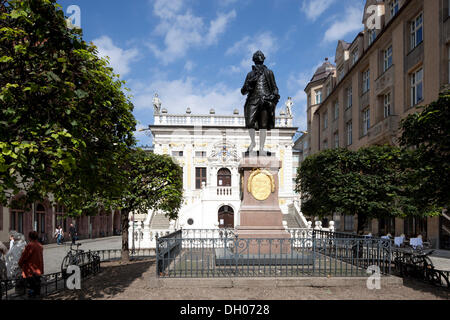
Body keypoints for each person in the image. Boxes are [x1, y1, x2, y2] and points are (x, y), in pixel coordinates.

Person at [241, 50, 280, 154]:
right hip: (252, 100)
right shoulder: (250, 74)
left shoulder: (269, 72)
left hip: (265, 100)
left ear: (263, 58)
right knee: (249, 123)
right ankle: (253, 142)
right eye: (257, 55)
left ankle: (261, 148)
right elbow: (243, 91)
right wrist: (249, 83)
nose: (259, 56)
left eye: (261, 55)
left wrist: (272, 96)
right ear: (254, 59)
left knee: (263, 125)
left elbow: (275, 88)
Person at [18, 231, 44, 298]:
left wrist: (19, 264)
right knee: (37, 288)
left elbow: (24, 257)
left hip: (30, 271)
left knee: (30, 288)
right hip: (38, 270)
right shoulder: (39, 245)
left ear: (30, 237)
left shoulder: (30, 245)